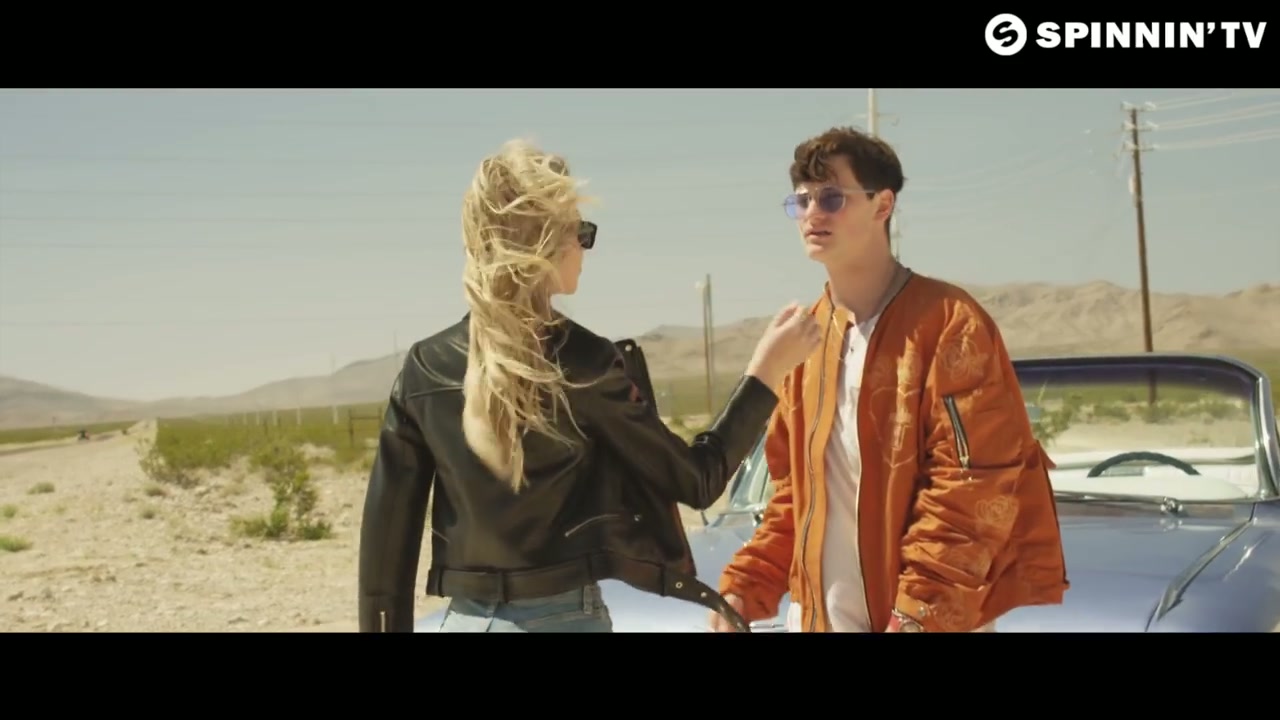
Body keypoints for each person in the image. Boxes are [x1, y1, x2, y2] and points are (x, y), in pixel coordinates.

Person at [357, 138, 821, 633]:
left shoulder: (425, 367)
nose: (584, 248)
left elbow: (385, 551)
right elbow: (697, 481)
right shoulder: (583, 361)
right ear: (546, 244)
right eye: (581, 232)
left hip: (462, 623)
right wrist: (766, 372)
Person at [711, 126, 1069, 633]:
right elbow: (794, 494)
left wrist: (919, 612)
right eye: (802, 200)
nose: (812, 214)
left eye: (831, 197)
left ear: (882, 205)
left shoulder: (950, 324)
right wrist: (745, 587)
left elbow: (972, 487)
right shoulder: (805, 339)